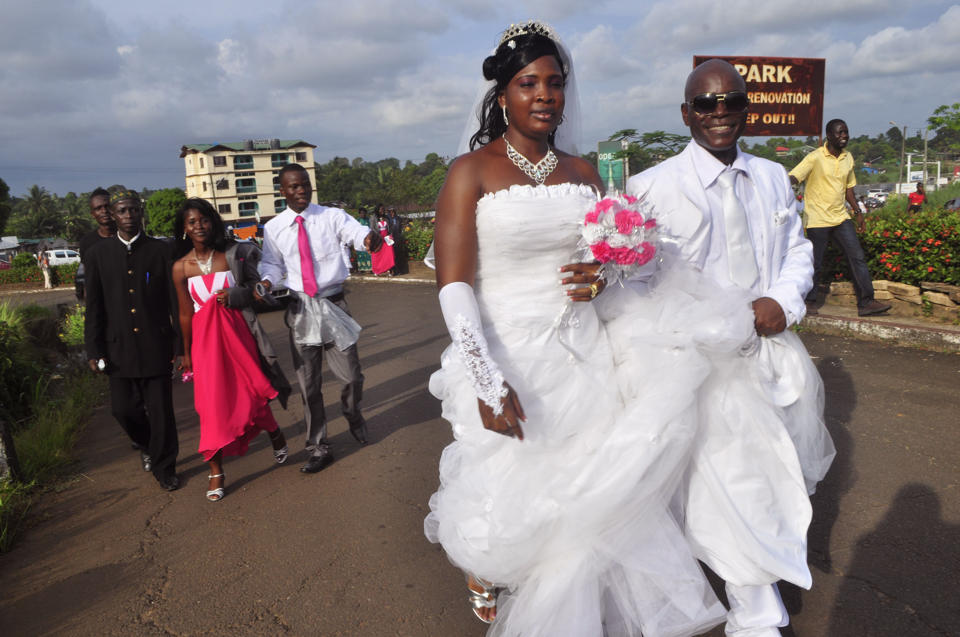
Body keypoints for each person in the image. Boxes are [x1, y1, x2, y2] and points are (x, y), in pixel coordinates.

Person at [424, 22, 726, 636]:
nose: (544, 95)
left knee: (592, 505)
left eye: (555, 83)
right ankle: (490, 570)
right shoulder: (470, 173)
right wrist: (486, 379)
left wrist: (602, 279)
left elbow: (607, 263)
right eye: (527, 83)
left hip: (586, 356)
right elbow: (454, 284)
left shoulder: (586, 173)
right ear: (502, 95)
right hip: (508, 357)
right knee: (513, 500)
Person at [625, 58, 836, 636]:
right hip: (700, 365)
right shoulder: (649, 189)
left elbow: (797, 251)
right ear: (686, 113)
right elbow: (642, 282)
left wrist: (783, 302)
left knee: (775, 470)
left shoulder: (771, 177)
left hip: (772, 352)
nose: (720, 114)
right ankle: (757, 611)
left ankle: (758, 577)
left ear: (747, 108)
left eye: (732, 103)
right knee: (734, 476)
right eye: (706, 104)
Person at [256, 164, 383, 474]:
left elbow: (354, 232)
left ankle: (353, 414)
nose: (301, 190)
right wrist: (267, 283)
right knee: (309, 385)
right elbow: (271, 264)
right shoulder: (274, 228)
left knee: (352, 376)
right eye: (293, 187)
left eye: (305, 184)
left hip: (334, 303)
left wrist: (368, 238)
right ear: (282, 191)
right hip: (301, 309)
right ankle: (318, 446)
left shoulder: (330, 216)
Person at [171, 198, 292, 501]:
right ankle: (216, 472)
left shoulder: (231, 256)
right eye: (192, 222)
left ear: (212, 222)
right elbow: (185, 314)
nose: (199, 226)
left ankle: (274, 431)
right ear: (184, 229)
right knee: (210, 407)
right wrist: (185, 353)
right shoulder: (179, 268)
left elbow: (258, 291)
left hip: (238, 336)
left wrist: (236, 294)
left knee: (249, 395)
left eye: (203, 220)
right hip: (204, 344)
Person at [83, 189, 180, 491]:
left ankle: (165, 468)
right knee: (122, 410)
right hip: (117, 348)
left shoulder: (160, 250)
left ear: (141, 213)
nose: (128, 216)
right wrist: (93, 349)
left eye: (133, 210)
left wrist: (180, 347)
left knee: (161, 412)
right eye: (122, 211)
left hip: (155, 345)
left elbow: (174, 303)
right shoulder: (98, 255)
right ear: (112, 214)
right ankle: (148, 445)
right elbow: (94, 306)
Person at [790, 120, 891, 316]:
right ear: (829, 135)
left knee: (857, 257)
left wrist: (858, 212)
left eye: (846, 132)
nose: (844, 135)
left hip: (841, 218)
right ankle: (809, 302)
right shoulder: (815, 157)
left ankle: (866, 303)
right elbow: (795, 176)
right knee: (815, 262)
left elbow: (849, 189)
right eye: (840, 132)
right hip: (817, 219)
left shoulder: (848, 158)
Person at [76, 187, 117, 301]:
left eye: (107, 206)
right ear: (92, 213)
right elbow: (86, 273)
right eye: (98, 208)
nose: (104, 211)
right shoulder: (87, 242)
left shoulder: (126, 236)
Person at [385, 207, 407, 274]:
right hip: (390, 238)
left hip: (397, 238)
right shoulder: (387, 219)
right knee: (391, 255)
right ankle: (392, 270)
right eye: (390, 211)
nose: (392, 213)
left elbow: (400, 229)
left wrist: (400, 236)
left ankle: (399, 270)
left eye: (393, 211)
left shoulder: (399, 219)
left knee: (398, 254)